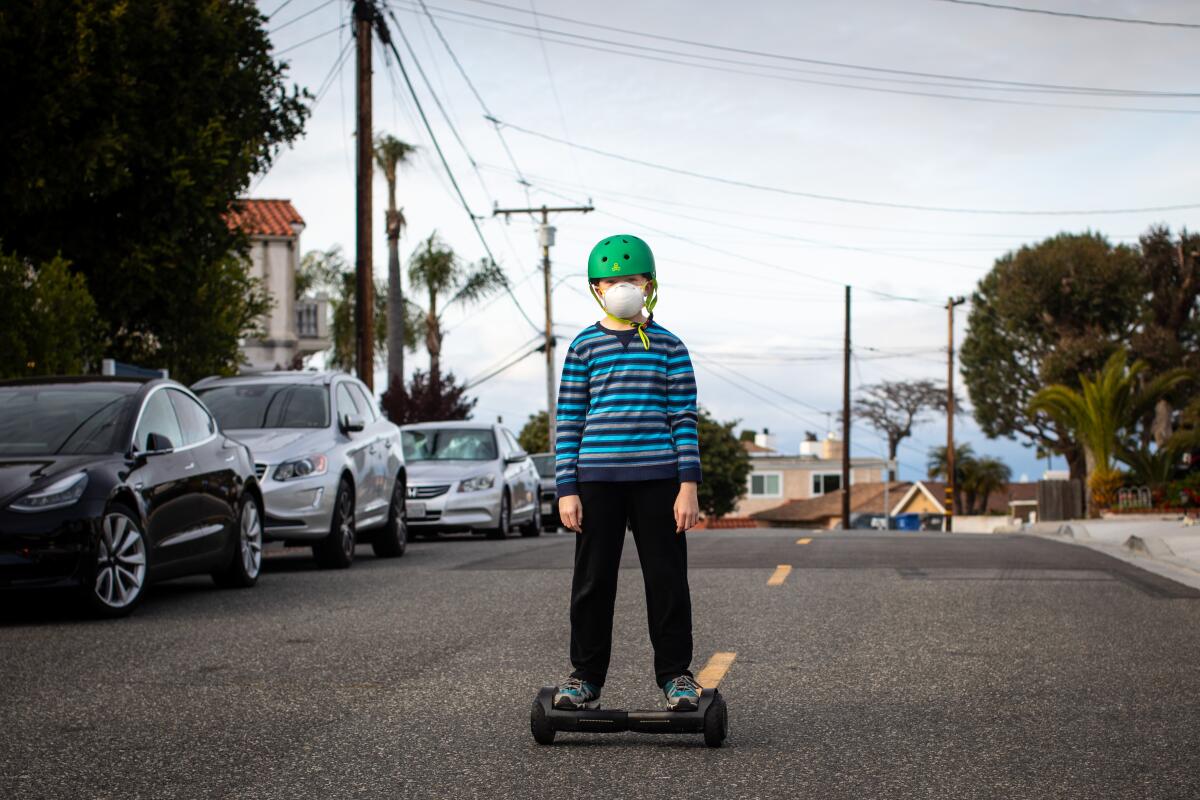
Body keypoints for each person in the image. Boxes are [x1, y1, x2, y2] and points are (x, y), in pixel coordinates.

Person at [552, 233, 703, 712]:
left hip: (659, 481)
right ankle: (586, 678)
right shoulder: (583, 347)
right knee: (594, 583)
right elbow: (570, 418)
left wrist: (688, 486)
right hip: (597, 481)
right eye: (612, 280)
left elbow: (683, 418)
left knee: (667, 580)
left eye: (631, 279)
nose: (622, 287)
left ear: (650, 284)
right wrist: (566, 488)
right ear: (597, 288)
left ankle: (677, 676)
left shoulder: (669, 347)